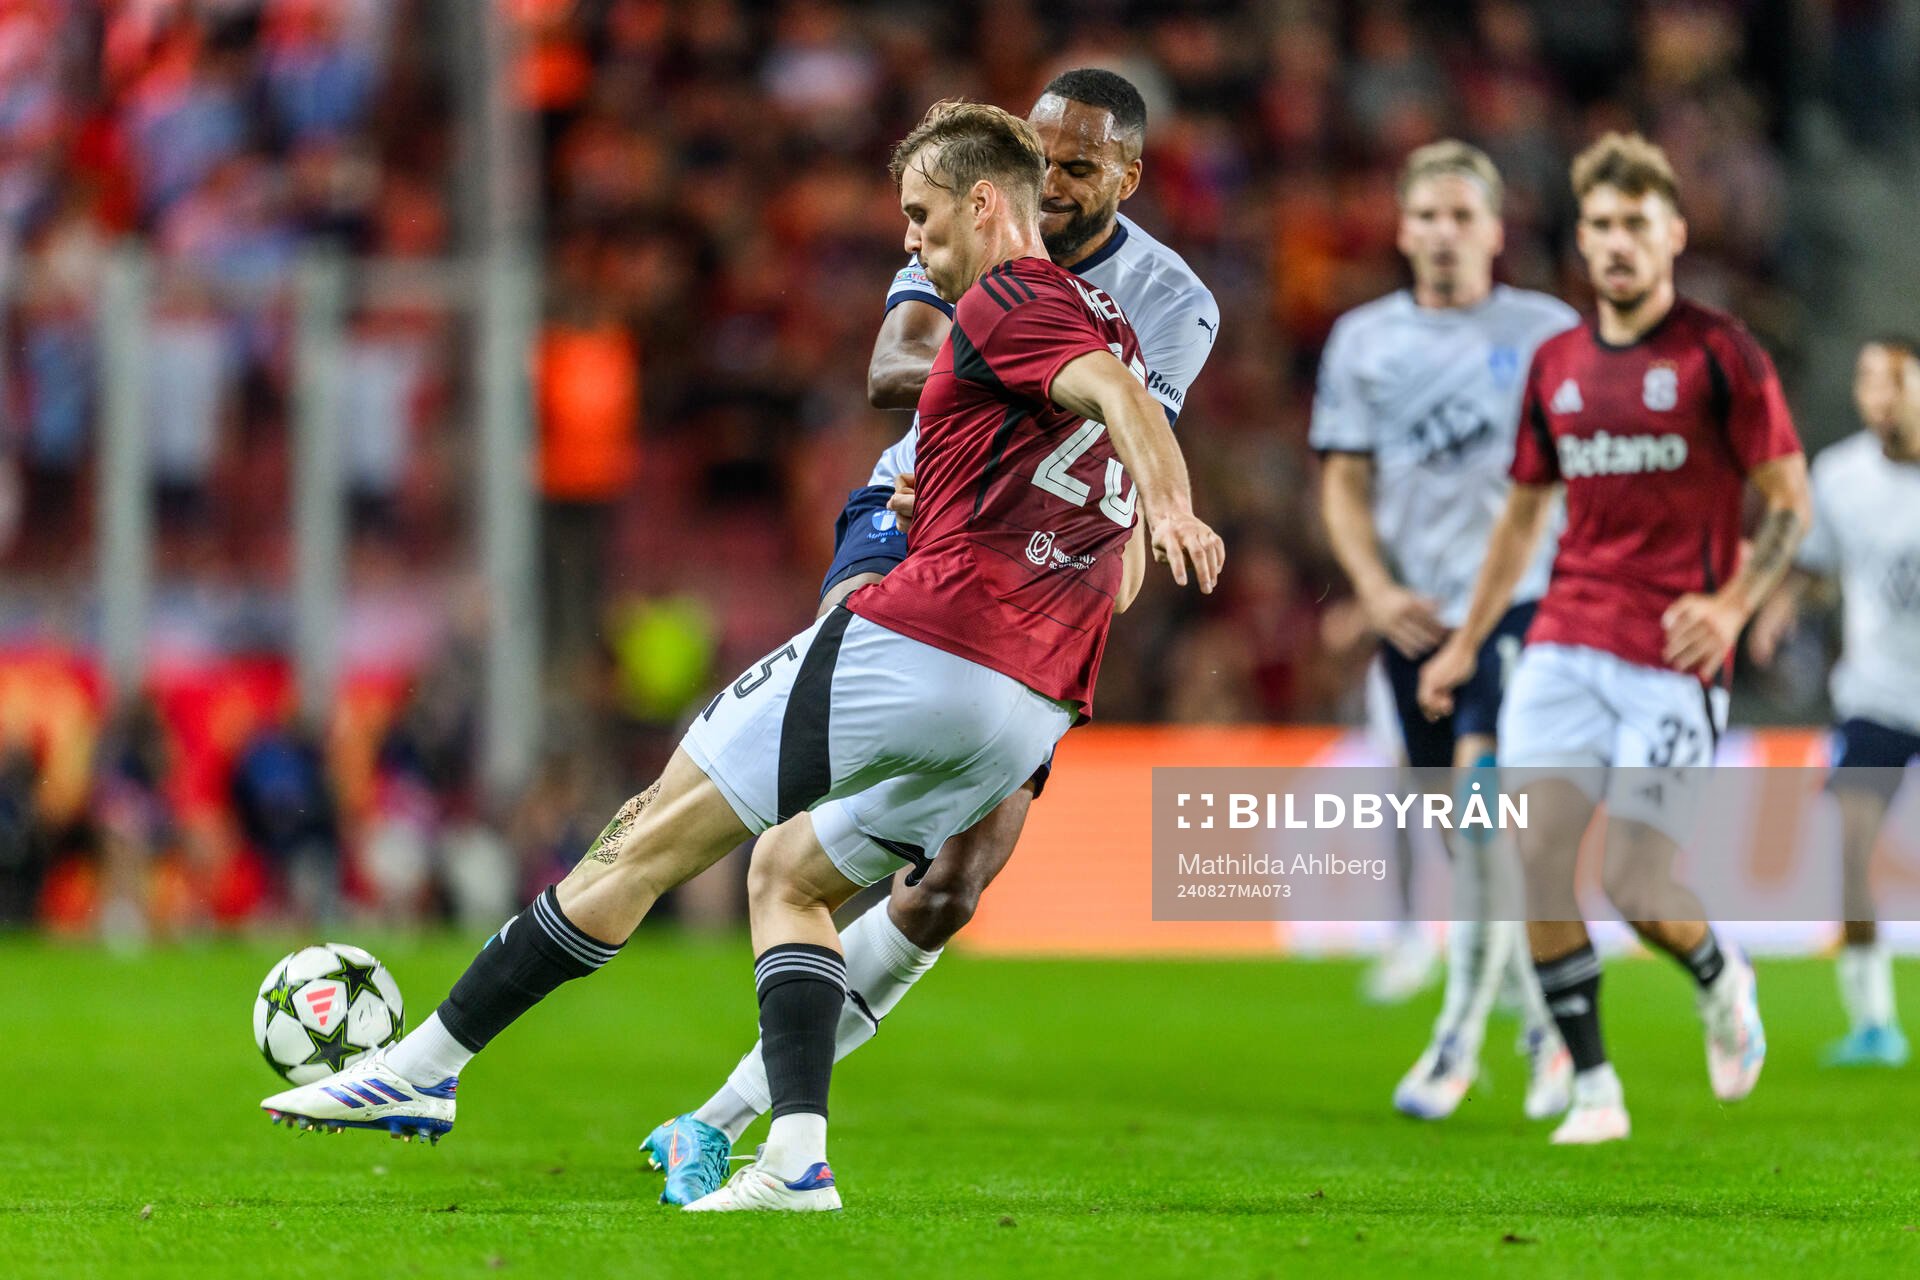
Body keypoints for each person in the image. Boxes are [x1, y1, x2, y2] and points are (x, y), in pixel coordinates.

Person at [259, 99, 1225, 1215]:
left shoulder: (1014, 291)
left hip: (929, 642)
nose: (909, 242)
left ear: (983, 202)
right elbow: (1082, 428)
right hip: (1033, 703)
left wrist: (1175, 505)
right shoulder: (1110, 316)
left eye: (920, 217)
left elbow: (1101, 401)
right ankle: (794, 1159)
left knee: (648, 830)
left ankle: (422, 1068)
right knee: (790, 874)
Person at [643, 67, 1221, 1206]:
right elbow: (891, 364)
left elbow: (1126, 429)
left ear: (1128, 177)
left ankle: (726, 1117)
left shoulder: (1174, 296)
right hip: (906, 512)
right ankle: (644, 919)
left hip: (1038, 564)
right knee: (794, 817)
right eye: (1040, 156)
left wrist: (1116, 489)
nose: (1050, 183)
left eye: (1078, 167)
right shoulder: (971, 214)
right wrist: (999, 381)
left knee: (958, 879)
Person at [1417, 132, 1809, 1145]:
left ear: (1675, 232)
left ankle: (1721, 975)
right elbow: (1519, 517)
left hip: (1672, 656)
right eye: (1601, 226)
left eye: (1637, 224)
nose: (1618, 243)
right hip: (1563, 637)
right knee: (1535, 854)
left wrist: (1729, 606)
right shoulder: (1557, 365)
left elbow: (1789, 504)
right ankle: (1595, 1085)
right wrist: (1466, 644)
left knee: (1637, 884)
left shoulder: (1719, 352)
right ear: (1582, 243)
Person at [1312, 140, 1575, 1122]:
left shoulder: (1547, 332)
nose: (1445, 232)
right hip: (1414, 615)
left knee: (1480, 811)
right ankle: (1548, 1025)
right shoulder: (1363, 340)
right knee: (1468, 836)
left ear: (1496, 231)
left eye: (1464, 215)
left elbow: (1574, 481)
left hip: (1521, 608)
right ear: (1401, 227)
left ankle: (1461, 1038)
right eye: (1428, 215)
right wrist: (1375, 590)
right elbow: (1342, 479)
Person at [1749, 338, 1920, 1068]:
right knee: (1851, 844)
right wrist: (1781, 605)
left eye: (1892, 379)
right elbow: (1817, 567)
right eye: (1864, 380)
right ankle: (1874, 1021)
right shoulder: (1841, 475)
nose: (1874, 394)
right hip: (1877, 692)